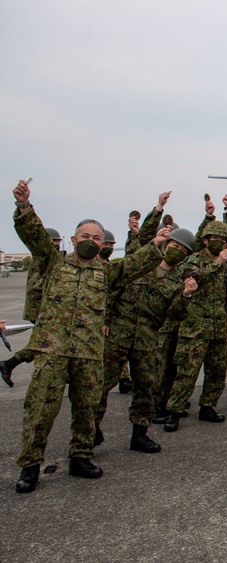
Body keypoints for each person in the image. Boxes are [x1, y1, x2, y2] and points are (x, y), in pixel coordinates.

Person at [11, 179, 168, 494]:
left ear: (102, 244)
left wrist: (156, 244)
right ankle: (30, 465)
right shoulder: (53, 263)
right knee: (41, 408)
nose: (91, 241)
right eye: (85, 236)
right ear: (73, 238)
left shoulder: (107, 273)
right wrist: (25, 207)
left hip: (88, 353)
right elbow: (36, 237)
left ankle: (80, 456)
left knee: (87, 407)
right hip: (53, 351)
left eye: (97, 238)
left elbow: (136, 264)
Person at [95, 227, 199, 453]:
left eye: (183, 250)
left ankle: (139, 434)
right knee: (101, 384)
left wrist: (186, 296)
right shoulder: (140, 266)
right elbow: (112, 291)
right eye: (175, 246)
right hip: (119, 332)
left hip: (148, 336)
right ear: (165, 244)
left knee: (146, 387)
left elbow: (175, 314)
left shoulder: (178, 280)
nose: (178, 251)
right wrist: (105, 320)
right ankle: (90, 429)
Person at [163, 220, 227, 432]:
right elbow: (193, 278)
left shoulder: (225, 265)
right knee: (186, 372)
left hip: (218, 326)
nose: (220, 244)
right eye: (216, 240)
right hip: (194, 327)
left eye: (224, 241)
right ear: (205, 240)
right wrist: (217, 264)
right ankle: (174, 410)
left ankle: (208, 406)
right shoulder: (193, 260)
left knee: (216, 371)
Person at [0, 227, 62, 385]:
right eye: (53, 241)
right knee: (45, 343)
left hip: (49, 311)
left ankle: (9, 364)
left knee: (46, 343)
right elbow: (36, 287)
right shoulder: (41, 260)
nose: (56, 244)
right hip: (43, 311)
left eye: (58, 242)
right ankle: (9, 364)